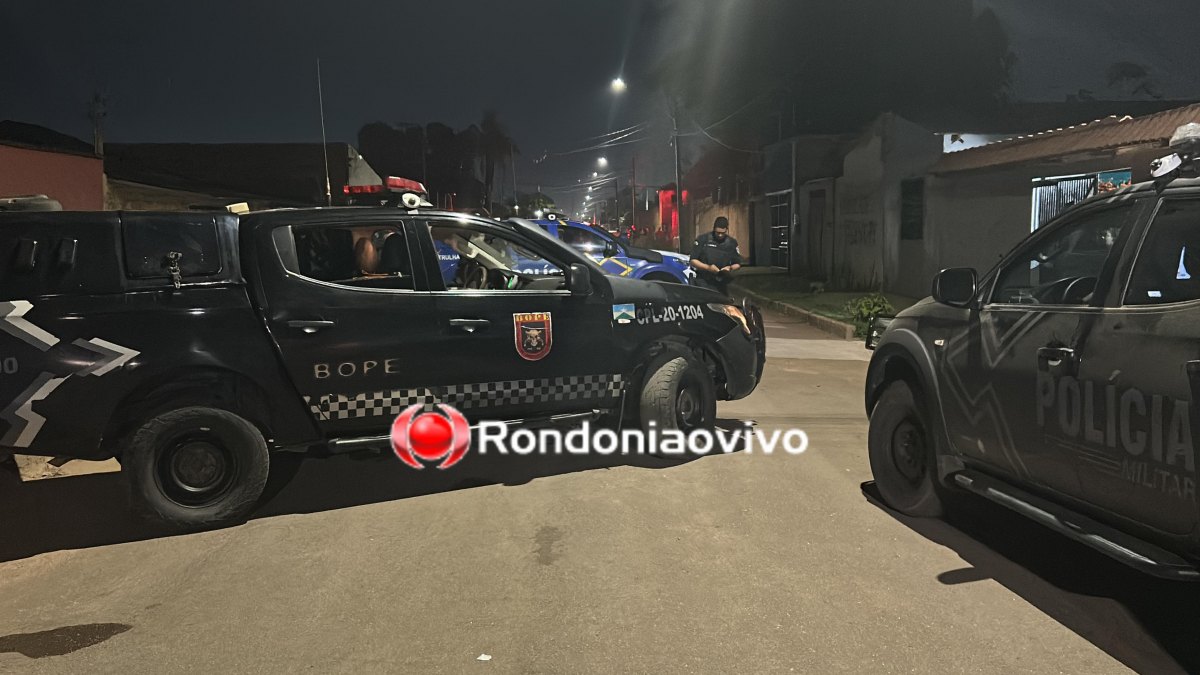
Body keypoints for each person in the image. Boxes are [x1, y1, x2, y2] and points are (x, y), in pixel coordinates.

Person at [689, 217, 743, 295]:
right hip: (703, 281)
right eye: (718, 232)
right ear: (714, 229)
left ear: (726, 230)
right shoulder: (703, 239)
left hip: (722, 282)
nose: (720, 235)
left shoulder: (731, 243)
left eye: (723, 233)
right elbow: (693, 260)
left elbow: (738, 263)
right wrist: (708, 268)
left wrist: (729, 268)